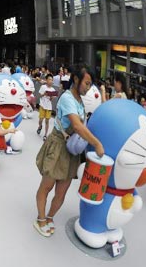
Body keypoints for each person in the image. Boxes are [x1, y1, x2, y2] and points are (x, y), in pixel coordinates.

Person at [34, 67, 104, 237]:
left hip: (72, 151)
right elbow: (78, 126)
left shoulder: (80, 101)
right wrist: (97, 144)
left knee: (61, 192)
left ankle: (50, 217)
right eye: (86, 83)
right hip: (58, 146)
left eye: (90, 84)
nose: (88, 87)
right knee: (47, 186)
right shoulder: (67, 98)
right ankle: (40, 218)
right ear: (76, 79)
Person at [36, 74, 57, 141]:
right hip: (42, 105)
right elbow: (39, 95)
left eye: (52, 80)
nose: (51, 81)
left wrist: (51, 97)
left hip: (49, 107)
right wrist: (44, 94)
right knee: (41, 119)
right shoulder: (43, 87)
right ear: (47, 80)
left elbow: (52, 98)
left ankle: (45, 135)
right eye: (49, 79)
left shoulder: (53, 89)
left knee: (47, 121)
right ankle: (40, 126)